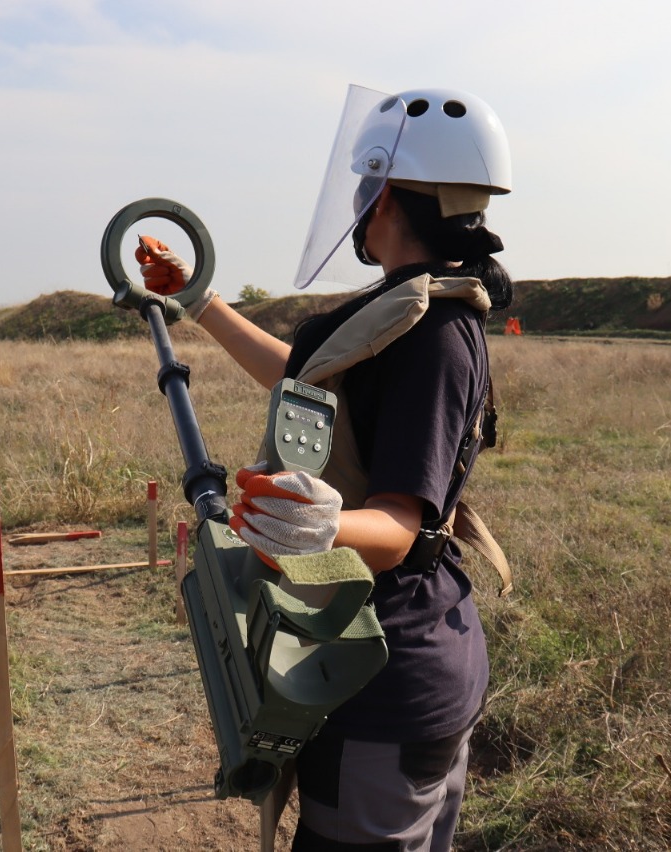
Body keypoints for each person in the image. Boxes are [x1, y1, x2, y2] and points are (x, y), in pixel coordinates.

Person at [137, 86, 513, 851]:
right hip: (408, 656)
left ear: (385, 194)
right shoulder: (406, 309)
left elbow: (400, 528)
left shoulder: (434, 335)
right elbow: (306, 383)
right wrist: (198, 301)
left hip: (383, 674)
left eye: (363, 182)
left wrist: (321, 523)